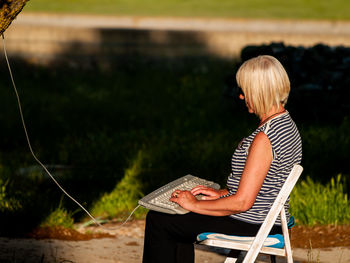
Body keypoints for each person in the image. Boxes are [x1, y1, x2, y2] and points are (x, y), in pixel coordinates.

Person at [142, 55, 302, 263]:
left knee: (160, 219)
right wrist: (222, 194)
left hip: (251, 223)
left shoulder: (265, 138)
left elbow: (243, 202)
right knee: (175, 218)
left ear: (259, 92)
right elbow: (266, 184)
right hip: (264, 218)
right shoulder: (287, 125)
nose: (242, 97)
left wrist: (194, 205)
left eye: (245, 91)